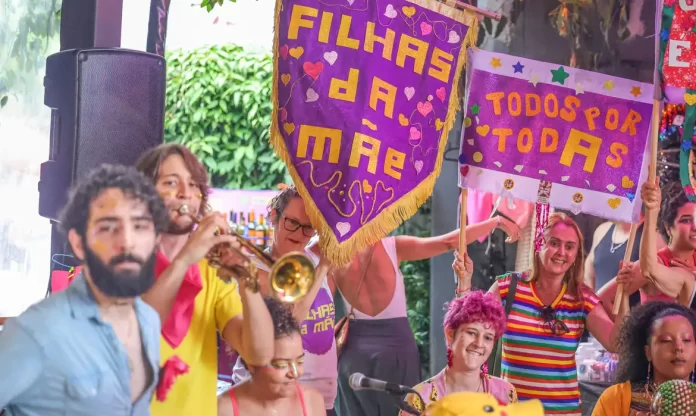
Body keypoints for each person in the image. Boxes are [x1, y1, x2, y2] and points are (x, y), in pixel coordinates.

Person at [0, 165, 168, 415]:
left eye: (140, 226)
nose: (127, 242)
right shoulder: (36, 332)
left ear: (156, 240)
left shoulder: (149, 321)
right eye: (108, 227)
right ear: (78, 243)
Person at [333, 213, 521, 416]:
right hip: (395, 352)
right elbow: (449, 242)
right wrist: (495, 222)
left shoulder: (332, 258)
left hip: (352, 353)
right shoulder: (391, 246)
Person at [135, 144, 274, 416]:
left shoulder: (211, 269)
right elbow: (137, 333)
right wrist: (185, 258)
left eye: (194, 185)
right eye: (171, 182)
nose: (185, 193)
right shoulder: (121, 259)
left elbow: (260, 355)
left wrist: (247, 279)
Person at [455, 212, 626, 416]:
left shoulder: (582, 299)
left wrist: (624, 292)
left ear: (576, 255)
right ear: (539, 244)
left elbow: (616, 343)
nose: (561, 252)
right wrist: (464, 283)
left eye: (569, 247)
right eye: (554, 243)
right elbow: (469, 331)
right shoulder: (507, 287)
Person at [232, 185, 336, 415]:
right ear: (273, 216)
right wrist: (322, 269)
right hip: (271, 397)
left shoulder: (315, 256)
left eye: (308, 227)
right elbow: (289, 326)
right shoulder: (254, 271)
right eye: (292, 222)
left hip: (320, 396)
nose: (299, 234)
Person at [400, 288, 517, 415]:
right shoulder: (419, 398)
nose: (479, 344)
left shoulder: (506, 393)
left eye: (488, 338)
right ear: (450, 334)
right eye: (471, 332)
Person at [600, 180, 696, 313]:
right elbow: (601, 299)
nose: (694, 227)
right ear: (668, 228)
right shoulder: (654, 262)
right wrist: (627, 325)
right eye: (686, 220)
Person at [219, 297, 326, 416]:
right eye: (281, 365)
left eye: (300, 361)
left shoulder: (312, 402)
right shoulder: (223, 409)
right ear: (251, 364)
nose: (295, 373)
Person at [592, 301, 696, 415]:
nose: (678, 347)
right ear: (648, 352)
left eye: (686, 340)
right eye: (666, 340)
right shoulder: (616, 398)